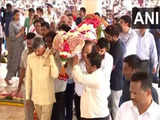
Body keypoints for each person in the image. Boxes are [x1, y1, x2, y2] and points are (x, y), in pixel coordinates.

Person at [25, 37, 59, 120]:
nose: (36, 53)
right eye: (35, 50)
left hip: (47, 98)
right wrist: (27, 96)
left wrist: (51, 58)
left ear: (43, 47)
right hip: (36, 97)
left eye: (38, 51)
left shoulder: (50, 55)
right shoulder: (30, 57)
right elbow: (28, 78)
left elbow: (55, 75)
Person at [72, 50, 111, 120]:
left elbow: (79, 78)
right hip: (92, 115)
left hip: (97, 116)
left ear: (94, 66)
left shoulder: (97, 76)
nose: (85, 66)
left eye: (87, 64)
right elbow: (78, 76)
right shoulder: (93, 73)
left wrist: (75, 64)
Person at [105, 24, 126, 120]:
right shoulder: (112, 43)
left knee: (114, 107)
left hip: (116, 82)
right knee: (110, 106)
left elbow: (112, 66)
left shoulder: (119, 47)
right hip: (111, 80)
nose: (107, 38)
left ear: (115, 36)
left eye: (108, 37)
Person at [15, 32, 35, 120]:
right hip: (27, 85)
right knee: (28, 110)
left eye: (31, 39)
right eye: (28, 39)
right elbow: (22, 70)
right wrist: (19, 86)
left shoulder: (39, 53)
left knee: (39, 110)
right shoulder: (24, 52)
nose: (29, 41)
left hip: (38, 86)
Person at [5, 9, 25, 85]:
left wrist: (23, 33)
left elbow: (22, 34)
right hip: (15, 46)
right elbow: (12, 37)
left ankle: (21, 78)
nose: (18, 16)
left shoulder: (19, 23)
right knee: (14, 63)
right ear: (13, 16)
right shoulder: (11, 24)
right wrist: (20, 33)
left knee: (21, 63)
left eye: (19, 15)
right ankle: (7, 78)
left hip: (21, 45)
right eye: (17, 15)